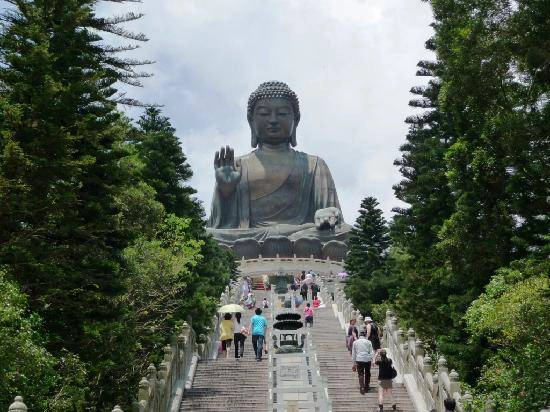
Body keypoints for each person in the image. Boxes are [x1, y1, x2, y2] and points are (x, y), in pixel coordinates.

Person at [351, 329, 374, 394]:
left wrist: (354, 363)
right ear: (365, 335)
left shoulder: (355, 342)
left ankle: (362, 387)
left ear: (359, 335)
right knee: (367, 373)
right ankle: (366, 386)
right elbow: (371, 352)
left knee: (360, 374)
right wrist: (373, 360)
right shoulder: (368, 342)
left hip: (359, 359)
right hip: (367, 359)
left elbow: (353, 354)